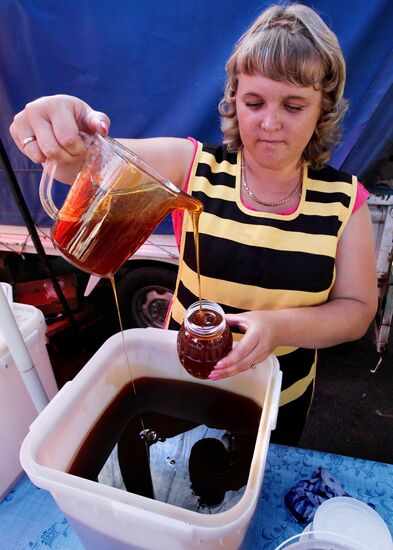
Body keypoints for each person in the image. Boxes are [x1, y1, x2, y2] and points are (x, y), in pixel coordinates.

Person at [10, 3, 377, 445]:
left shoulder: (344, 200)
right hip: (180, 377)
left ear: (323, 109)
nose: (270, 123)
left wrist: (281, 328)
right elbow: (95, 159)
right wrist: (62, 127)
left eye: (294, 105)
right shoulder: (194, 166)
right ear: (234, 101)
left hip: (278, 398)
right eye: (253, 102)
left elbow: (357, 311)